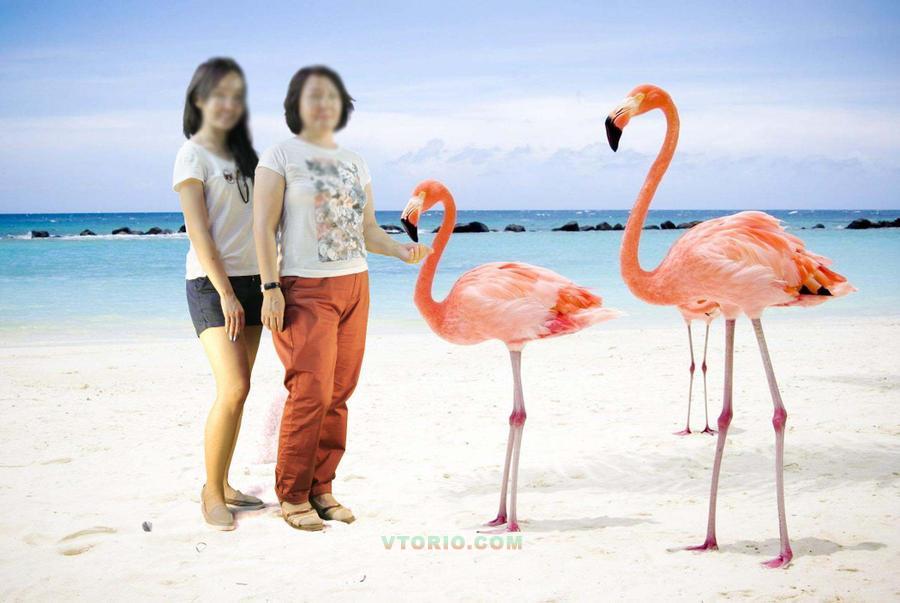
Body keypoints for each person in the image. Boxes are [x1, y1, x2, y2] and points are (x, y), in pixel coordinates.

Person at [253, 65, 431, 531]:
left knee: (339, 392)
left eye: (332, 96)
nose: (324, 104)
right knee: (309, 391)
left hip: (355, 284)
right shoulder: (279, 156)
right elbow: (262, 228)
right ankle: (292, 493)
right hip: (304, 287)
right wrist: (270, 288)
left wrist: (400, 250)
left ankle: (322, 487)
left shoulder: (356, 162)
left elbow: (367, 229)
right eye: (314, 96)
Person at [173, 57, 265, 530]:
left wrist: (273, 284)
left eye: (236, 95)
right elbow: (199, 232)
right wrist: (226, 293)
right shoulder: (192, 155)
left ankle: (225, 483)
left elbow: (266, 224)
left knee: (240, 391)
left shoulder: (248, 157)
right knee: (233, 386)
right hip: (212, 287)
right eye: (219, 95)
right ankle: (211, 491)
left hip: (255, 284)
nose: (228, 104)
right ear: (199, 100)